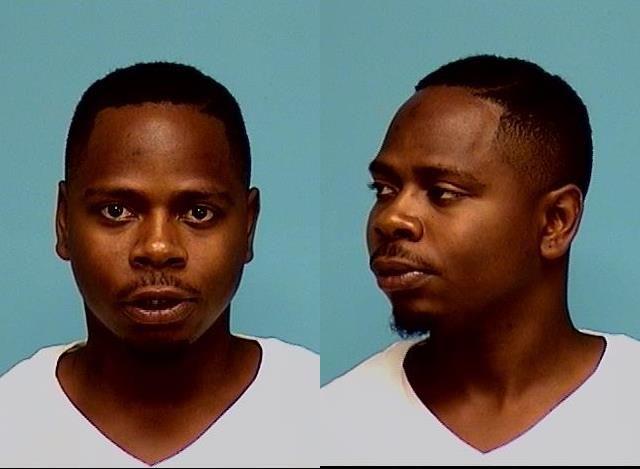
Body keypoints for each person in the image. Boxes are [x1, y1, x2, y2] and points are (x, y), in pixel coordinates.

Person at [322, 55, 640, 465]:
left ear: (555, 222)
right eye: (384, 189)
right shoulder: (333, 427)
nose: (391, 219)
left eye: (442, 192)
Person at [0, 62, 318, 467]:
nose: (157, 247)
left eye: (199, 212)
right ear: (63, 222)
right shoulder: (10, 424)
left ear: (248, 226)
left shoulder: (321, 413)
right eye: (116, 211)